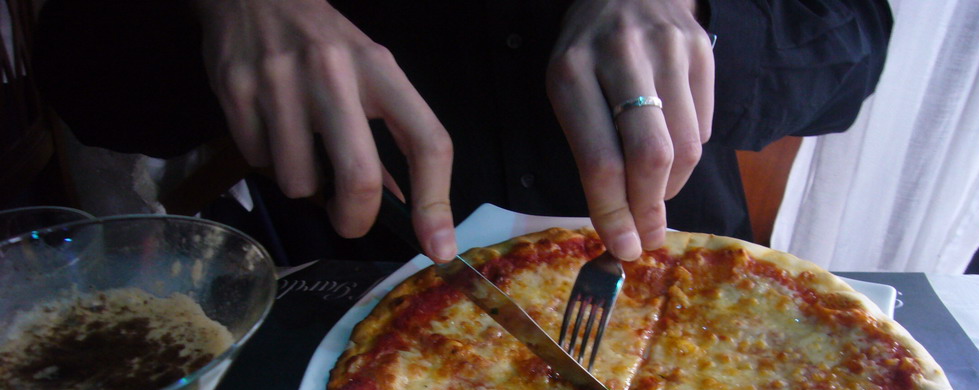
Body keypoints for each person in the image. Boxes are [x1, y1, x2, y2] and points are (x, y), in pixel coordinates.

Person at [33, 0, 892, 264]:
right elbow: (92, 92)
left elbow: (851, 58)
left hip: (680, 297)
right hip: (353, 302)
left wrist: (695, 9)